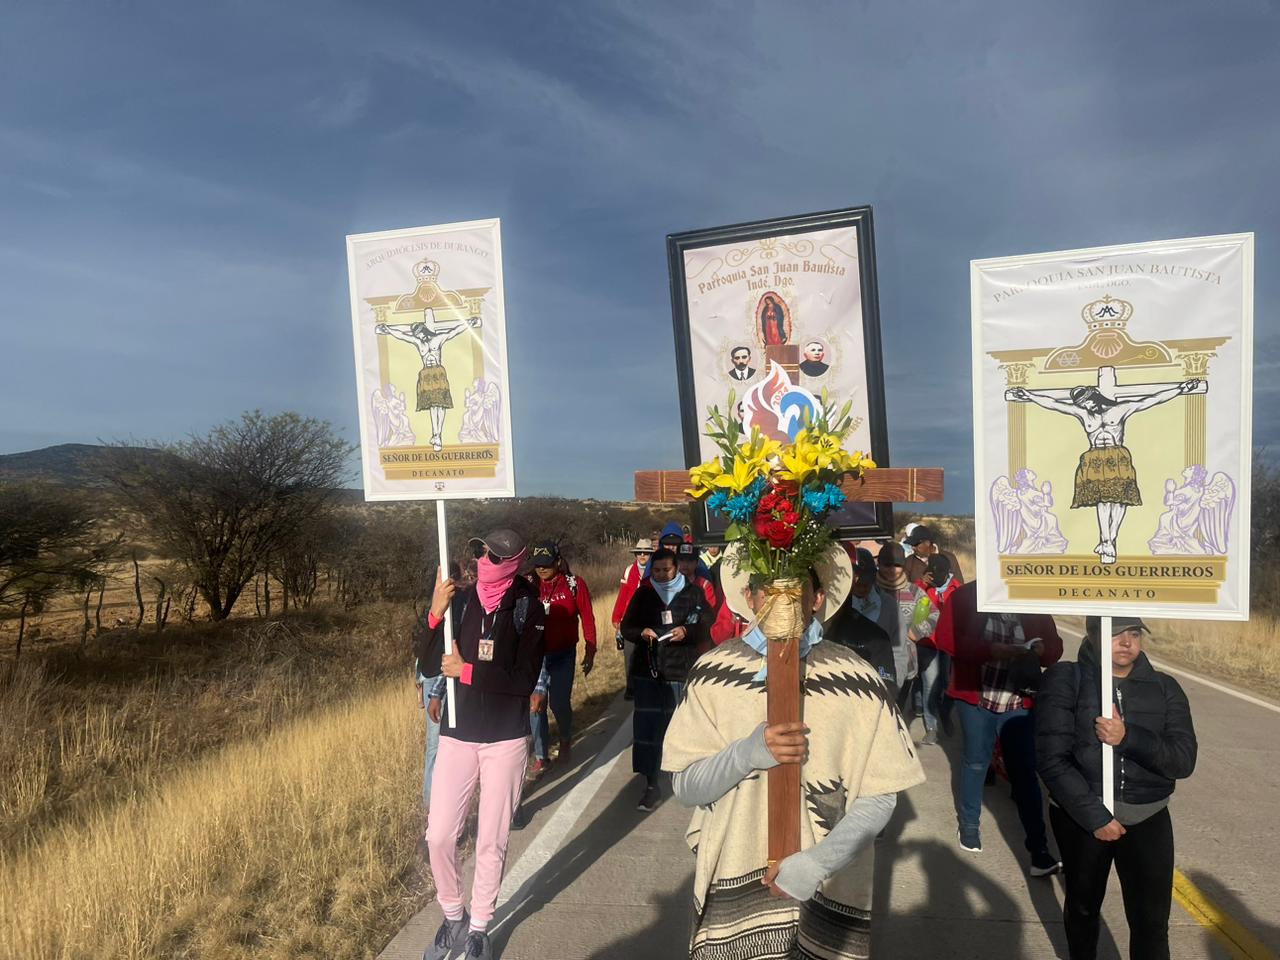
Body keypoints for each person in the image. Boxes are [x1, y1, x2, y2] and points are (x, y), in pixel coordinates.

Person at [662, 549, 925, 959]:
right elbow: (685, 786)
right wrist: (746, 754)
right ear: (748, 597)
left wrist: (818, 862)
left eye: (793, 590)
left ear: (817, 598)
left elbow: (880, 792)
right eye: (766, 590)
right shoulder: (712, 675)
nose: (779, 603)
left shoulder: (856, 678)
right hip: (735, 878)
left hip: (825, 883)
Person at [416, 528, 546, 960]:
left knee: (491, 840)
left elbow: (524, 679)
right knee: (438, 836)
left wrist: (467, 671)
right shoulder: (465, 599)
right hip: (457, 732)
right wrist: (435, 615)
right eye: (478, 550)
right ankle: (452, 917)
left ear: (512, 561)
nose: (481, 558)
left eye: (490, 554)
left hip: (506, 738)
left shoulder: (529, 606)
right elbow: (428, 661)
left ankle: (478, 929)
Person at [1036, 617, 1197, 960]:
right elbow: (1051, 760)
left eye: (1134, 633)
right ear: (1093, 635)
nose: (1126, 642)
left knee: (1151, 923)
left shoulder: (1165, 687)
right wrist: (1095, 817)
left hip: (1148, 816)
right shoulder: (1067, 679)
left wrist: (1128, 738)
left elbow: (1182, 761)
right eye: (1116, 633)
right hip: (1083, 819)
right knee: (1082, 909)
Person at [931, 580, 1062, 876]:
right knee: (976, 763)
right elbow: (946, 639)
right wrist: (991, 650)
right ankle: (969, 826)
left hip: (1018, 702)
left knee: (1025, 772)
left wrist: (1042, 649)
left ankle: (1038, 850)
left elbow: (1054, 649)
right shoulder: (965, 596)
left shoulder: (1032, 594)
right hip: (976, 699)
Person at [1007, 377, 1201, 563]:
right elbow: (1054, 404)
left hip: (1118, 457)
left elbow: (1151, 400)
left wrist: (1181, 389)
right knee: (1102, 500)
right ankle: (1105, 539)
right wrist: (1029, 395)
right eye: (1082, 404)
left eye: (1087, 402)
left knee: (1122, 500)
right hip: (1094, 458)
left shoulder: (1120, 409)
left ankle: (1110, 539)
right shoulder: (1083, 414)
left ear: (1095, 396)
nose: (1086, 406)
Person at [620, 547, 710, 813]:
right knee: (648, 728)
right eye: (656, 570)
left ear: (677, 568)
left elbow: (707, 624)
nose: (661, 575)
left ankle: (684, 779)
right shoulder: (644, 594)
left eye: (666, 570)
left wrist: (687, 630)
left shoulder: (693, 592)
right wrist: (642, 632)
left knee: (679, 726)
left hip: (680, 669)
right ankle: (650, 784)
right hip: (648, 670)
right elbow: (627, 627)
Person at [527, 542, 596, 781]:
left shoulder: (574, 585)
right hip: (536, 655)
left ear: (557, 562)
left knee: (559, 702)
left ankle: (565, 739)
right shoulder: (529, 584)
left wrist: (591, 648)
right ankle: (540, 755)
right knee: (536, 706)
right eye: (537, 565)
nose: (542, 570)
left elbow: (587, 615)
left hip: (564, 653)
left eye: (546, 565)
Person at [374, 314, 482, 451]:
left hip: (439, 374)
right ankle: (435, 434)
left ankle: (438, 435)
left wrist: (469, 323)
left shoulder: (438, 339)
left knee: (441, 405)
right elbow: (402, 335)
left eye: (420, 334)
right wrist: (388, 329)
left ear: (424, 330)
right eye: (417, 335)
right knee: (432, 406)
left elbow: (454, 331)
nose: (420, 337)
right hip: (427, 375)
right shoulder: (419, 343)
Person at [825, 546, 898, 692]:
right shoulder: (824, 621)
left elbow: (898, 647)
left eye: (867, 582)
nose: (862, 587)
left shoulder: (887, 605)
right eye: (858, 583)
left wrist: (895, 683)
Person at [912, 554, 960, 746]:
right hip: (928, 644)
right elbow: (910, 607)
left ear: (948, 572)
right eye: (932, 572)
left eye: (940, 573)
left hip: (950, 645)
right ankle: (932, 727)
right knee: (930, 685)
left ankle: (945, 714)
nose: (935, 576)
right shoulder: (923, 587)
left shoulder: (958, 590)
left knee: (949, 685)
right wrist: (921, 585)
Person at [613, 538, 653, 701]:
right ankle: (631, 687)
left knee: (650, 653)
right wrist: (617, 616)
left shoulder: (656, 570)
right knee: (629, 654)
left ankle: (650, 685)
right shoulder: (629, 571)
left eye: (646, 553)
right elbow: (623, 595)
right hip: (630, 619)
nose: (642, 555)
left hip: (649, 618)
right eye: (639, 552)